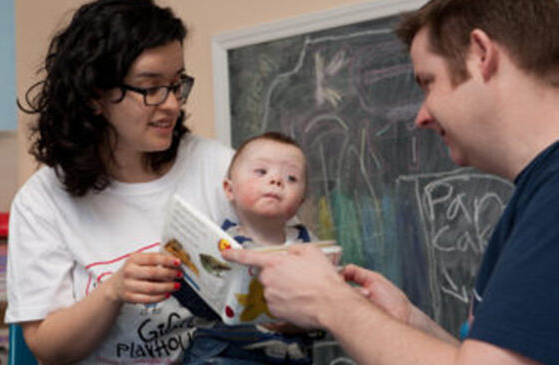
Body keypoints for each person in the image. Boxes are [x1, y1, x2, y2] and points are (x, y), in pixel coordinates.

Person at [222, 0, 559, 364]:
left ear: (481, 55)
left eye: (428, 83)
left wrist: (330, 301)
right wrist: (409, 322)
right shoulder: (539, 191)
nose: (421, 116)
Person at [3, 0, 235, 363]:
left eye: (177, 85)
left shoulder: (218, 167)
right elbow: (48, 349)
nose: (172, 103)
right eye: (151, 88)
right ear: (96, 96)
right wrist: (113, 291)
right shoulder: (42, 201)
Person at [182, 132, 317, 364]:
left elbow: (327, 309)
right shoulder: (219, 243)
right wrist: (179, 274)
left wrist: (306, 320)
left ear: (301, 201)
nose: (276, 181)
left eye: (291, 178)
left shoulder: (309, 247)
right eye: (261, 172)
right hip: (224, 352)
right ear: (229, 189)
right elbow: (201, 306)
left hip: (290, 354)